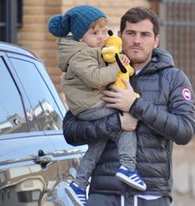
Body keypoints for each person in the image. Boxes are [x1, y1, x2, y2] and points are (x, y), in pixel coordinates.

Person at [62, 6, 195, 206]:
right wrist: (116, 122)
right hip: (103, 194)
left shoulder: (173, 78)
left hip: (151, 195)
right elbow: (71, 132)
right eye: (131, 33)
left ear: (156, 40)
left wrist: (135, 104)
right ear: (119, 36)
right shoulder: (97, 72)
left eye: (145, 34)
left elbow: (185, 131)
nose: (137, 40)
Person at [48, 5, 147, 206]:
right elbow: (95, 78)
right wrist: (117, 66)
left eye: (104, 31)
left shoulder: (88, 50)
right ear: (79, 35)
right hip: (90, 106)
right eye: (95, 33)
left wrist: (117, 60)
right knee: (125, 118)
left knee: (98, 142)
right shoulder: (80, 55)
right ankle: (128, 167)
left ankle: (79, 184)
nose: (101, 37)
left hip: (90, 104)